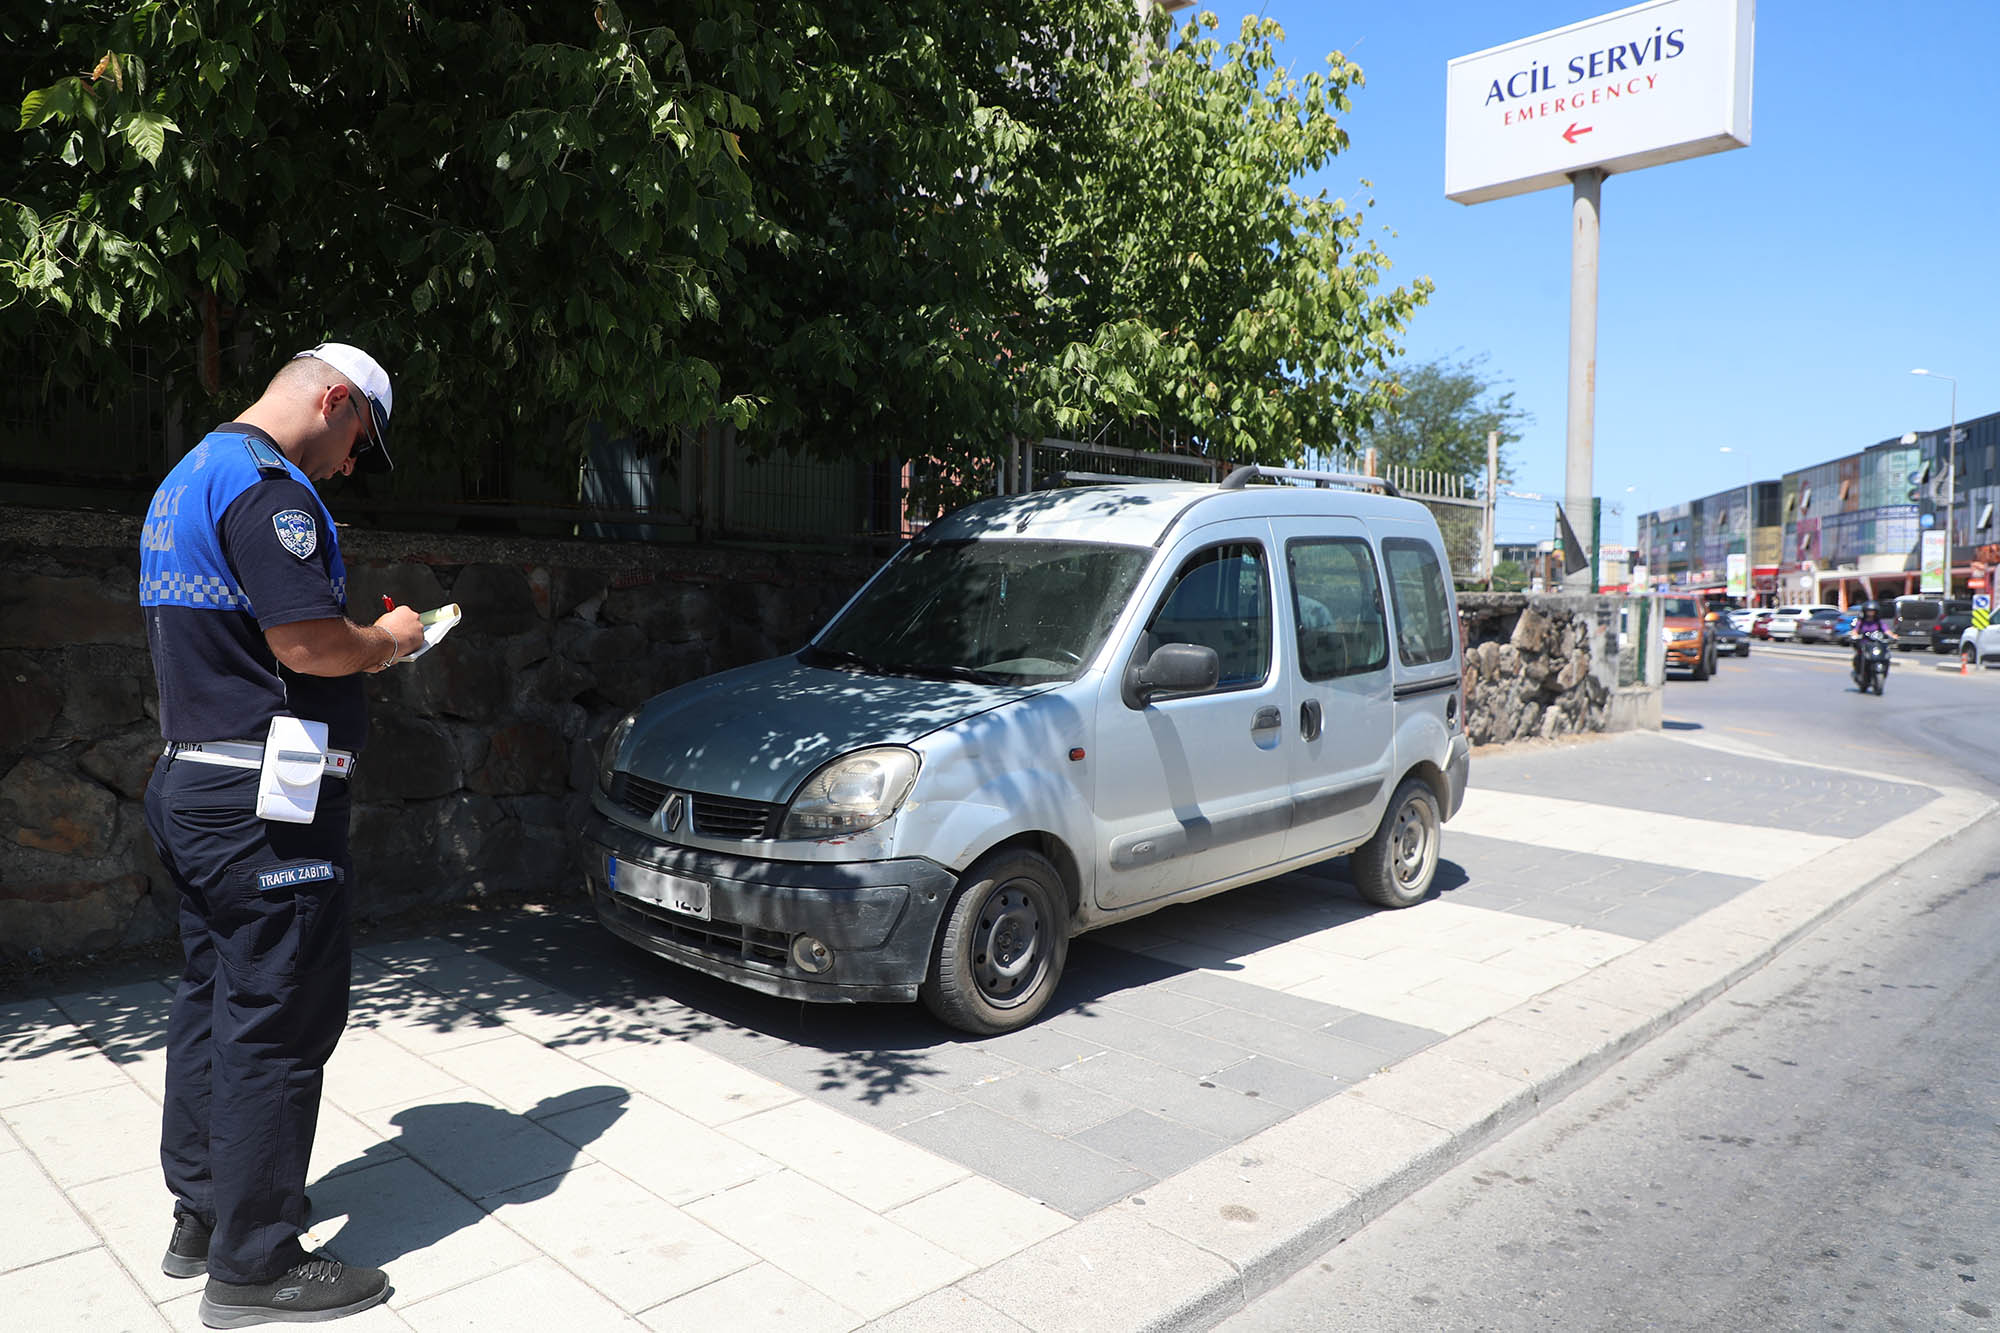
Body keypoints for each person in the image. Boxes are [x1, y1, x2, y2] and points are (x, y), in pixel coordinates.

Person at [140, 343, 424, 1327]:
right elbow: (306, 643)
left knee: (212, 996)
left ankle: (203, 1215)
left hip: (196, 781)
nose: (350, 464)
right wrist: (387, 642)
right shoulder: (271, 491)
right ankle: (255, 1263)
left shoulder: (188, 475)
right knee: (278, 1018)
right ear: (335, 398)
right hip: (264, 803)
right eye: (359, 441)